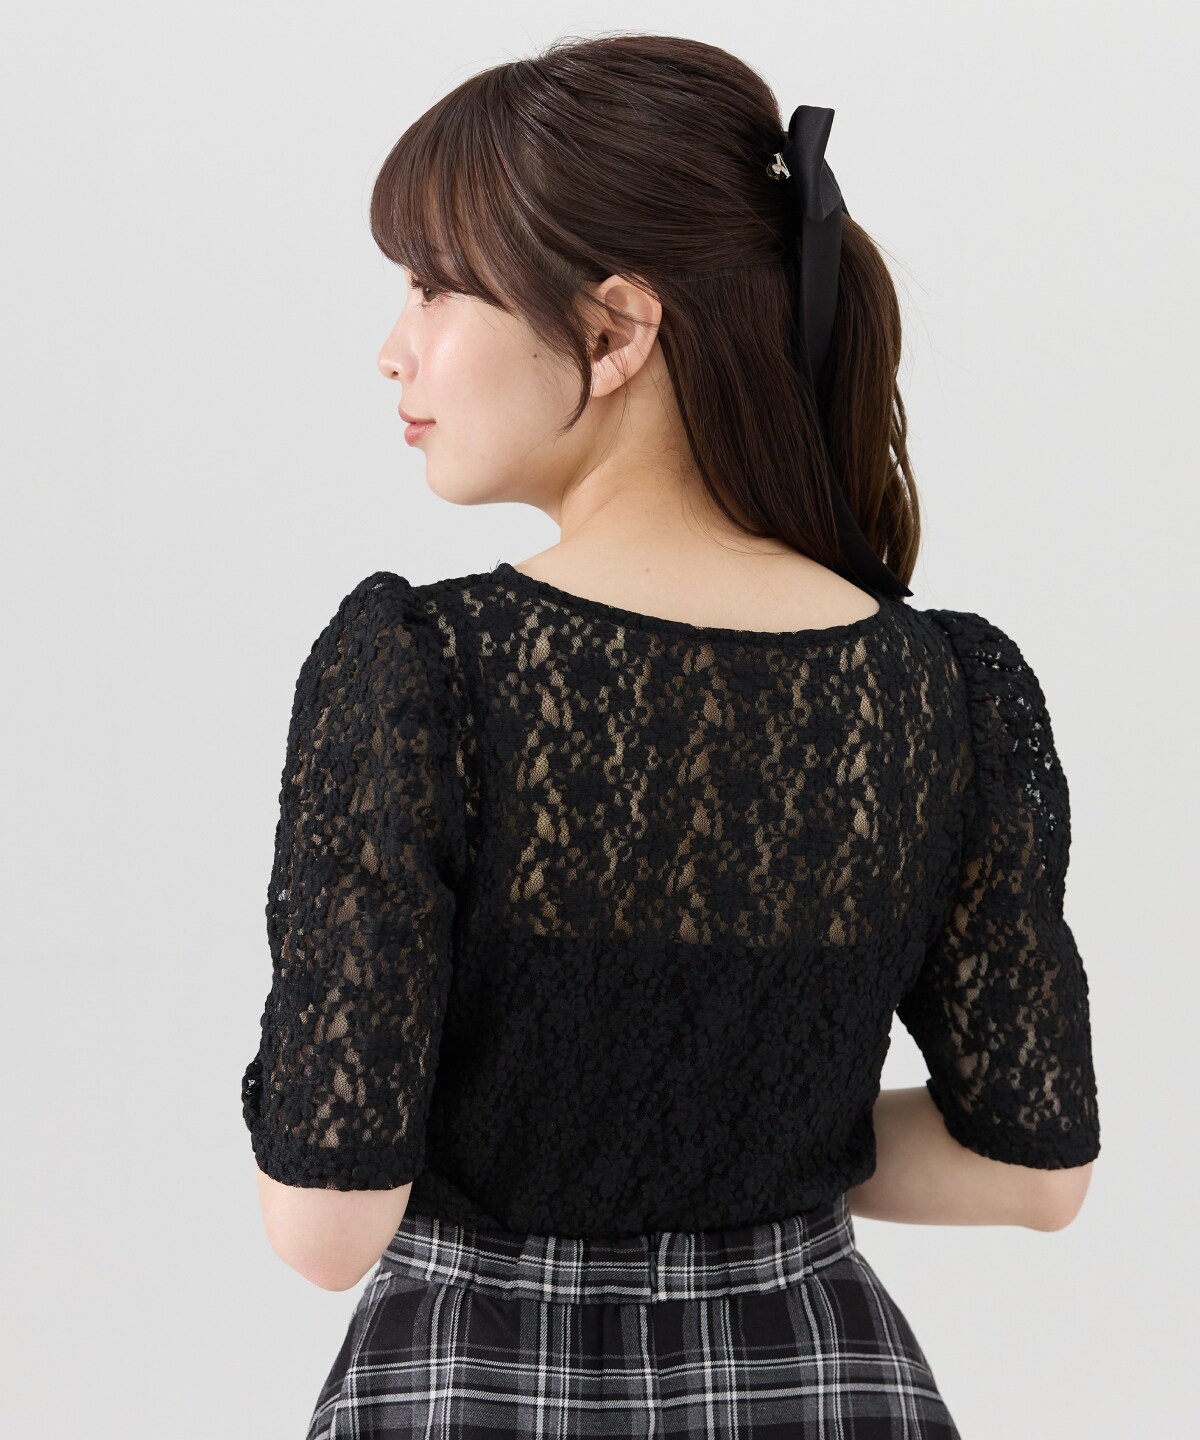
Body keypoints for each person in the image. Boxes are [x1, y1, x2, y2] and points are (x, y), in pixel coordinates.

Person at [241, 32, 1100, 1439]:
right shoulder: (945, 688)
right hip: (828, 1381)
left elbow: (325, 1227)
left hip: (482, 1384)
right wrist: (761, 1142)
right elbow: (1035, 1174)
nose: (394, 346)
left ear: (615, 331)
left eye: (436, 284)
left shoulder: (421, 671)